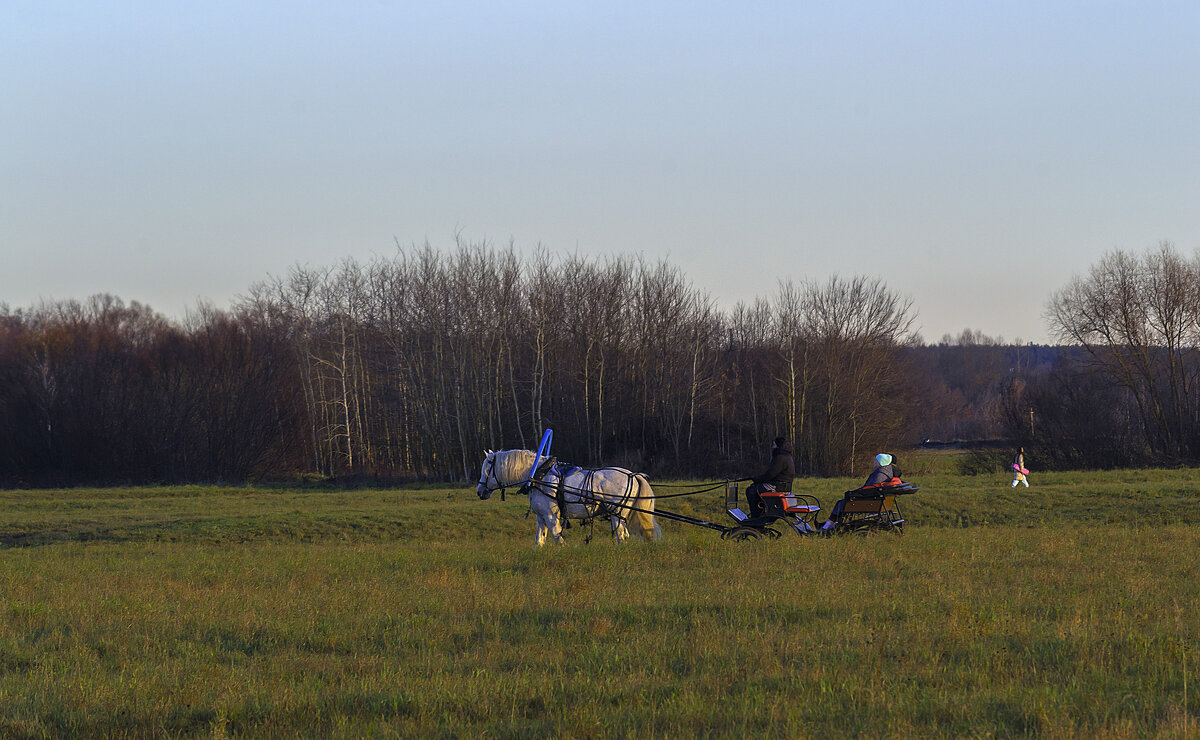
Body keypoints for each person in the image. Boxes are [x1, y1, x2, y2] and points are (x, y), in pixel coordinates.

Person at [821, 453, 902, 530]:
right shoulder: (886, 472)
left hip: (869, 501)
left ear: (881, 462)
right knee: (841, 503)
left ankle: (826, 526)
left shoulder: (880, 474)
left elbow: (869, 489)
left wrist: (854, 493)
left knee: (841, 503)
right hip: (877, 500)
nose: (874, 462)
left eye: (876, 461)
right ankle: (830, 524)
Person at [745, 437, 795, 518]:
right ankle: (760, 513)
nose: (772, 447)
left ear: (779, 446)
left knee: (751, 490)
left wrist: (757, 479)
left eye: (774, 445)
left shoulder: (780, 457)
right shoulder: (786, 456)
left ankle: (756, 517)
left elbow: (770, 475)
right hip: (783, 486)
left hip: (777, 487)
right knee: (756, 488)